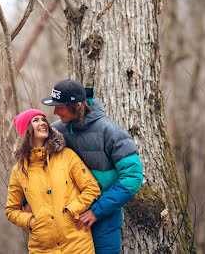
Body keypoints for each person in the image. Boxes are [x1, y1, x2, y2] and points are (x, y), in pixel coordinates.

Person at [40, 79, 143, 254]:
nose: (55, 112)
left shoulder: (110, 132)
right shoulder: (55, 131)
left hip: (103, 217)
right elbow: (35, 164)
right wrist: (28, 202)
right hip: (66, 217)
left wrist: (97, 211)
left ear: (77, 105)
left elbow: (133, 176)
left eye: (60, 106)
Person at [5, 108, 100, 254]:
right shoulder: (19, 170)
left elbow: (92, 188)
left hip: (77, 244)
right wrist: (31, 221)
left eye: (44, 120)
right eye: (35, 121)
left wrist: (71, 210)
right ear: (26, 130)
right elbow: (11, 210)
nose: (42, 123)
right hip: (42, 248)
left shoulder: (67, 156)